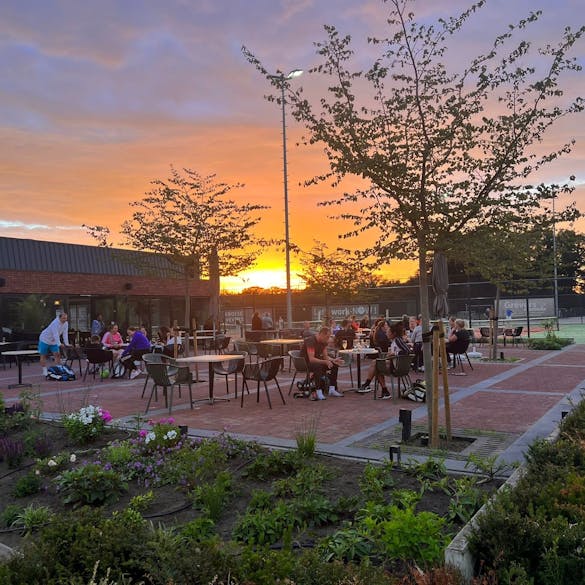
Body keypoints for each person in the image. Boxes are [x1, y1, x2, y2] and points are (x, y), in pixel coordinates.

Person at [300, 326, 344, 400]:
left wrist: (333, 360)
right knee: (318, 366)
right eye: (327, 337)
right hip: (305, 363)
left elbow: (325, 357)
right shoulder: (311, 341)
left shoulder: (323, 342)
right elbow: (311, 359)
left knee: (334, 365)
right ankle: (318, 391)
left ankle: (332, 389)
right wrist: (325, 362)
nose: (328, 339)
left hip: (316, 361)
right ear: (322, 334)